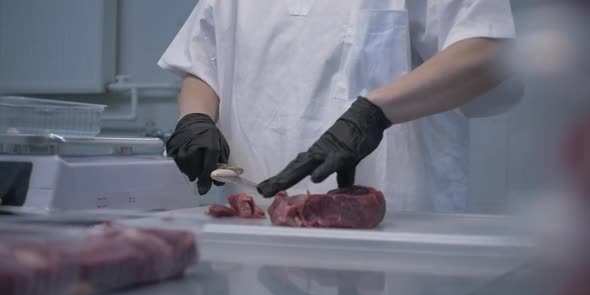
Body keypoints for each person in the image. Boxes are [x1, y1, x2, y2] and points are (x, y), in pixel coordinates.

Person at [160, 0, 518, 212]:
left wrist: (374, 114)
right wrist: (196, 119)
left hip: (394, 226)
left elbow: (487, 53)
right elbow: (202, 65)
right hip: (258, 223)